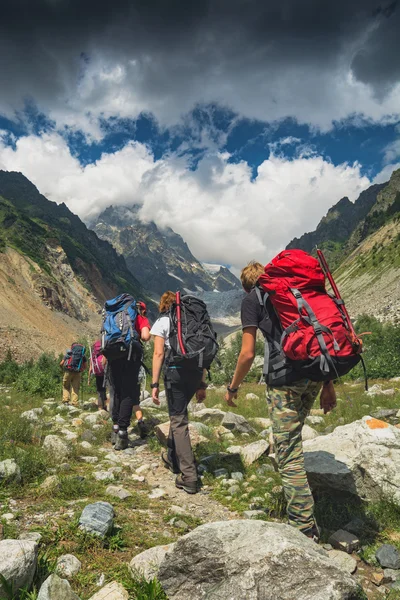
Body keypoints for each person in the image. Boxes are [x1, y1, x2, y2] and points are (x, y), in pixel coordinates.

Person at [224, 261, 337, 540]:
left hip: (282, 382)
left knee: (288, 455)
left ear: (245, 284)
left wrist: (233, 387)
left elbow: (247, 353)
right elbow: (319, 339)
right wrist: (328, 385)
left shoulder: (253, 299)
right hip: (313, 375)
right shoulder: (297, 292)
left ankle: (304, 528)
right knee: (293, 440)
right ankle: (306, 506)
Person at [150, 291, 207, 495]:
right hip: (194, 374)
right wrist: (202, 384)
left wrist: (154, 383)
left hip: (175, 373)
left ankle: (189, 476)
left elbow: (158, 353)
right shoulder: (193, 323)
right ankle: (174, 459)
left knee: (178, 420)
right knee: (179, 415)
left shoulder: (163, 322)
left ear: (163, 305)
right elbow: (201, 354)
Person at [110, 300, 151, 450]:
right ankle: (122, 433)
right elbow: (145, 336)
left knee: (117, 392)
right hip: (130, 356)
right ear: (141, 310)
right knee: (128, 393)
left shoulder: (115, 316)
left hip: (114, 356)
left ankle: (114, 430)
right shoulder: (140, 318)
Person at [60, 342, 87, 406]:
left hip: (68, 371)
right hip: (77, 372)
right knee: (75, 388)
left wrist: (62, 368)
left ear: (72, 347)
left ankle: (66, 401)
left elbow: (61, 363)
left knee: (66, 386)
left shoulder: (69, 354)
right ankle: (75, 403)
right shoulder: (82, 355)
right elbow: (85, 366)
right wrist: (81, 370)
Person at [88, 340, 107, 411]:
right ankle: (105, 406)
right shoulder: (105, 352)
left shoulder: (94, 354)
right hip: (105, 373)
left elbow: (90, 367)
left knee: (99, 390)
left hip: (98, 373)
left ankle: (100, 408)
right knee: (104, 389)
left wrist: (89, 379)